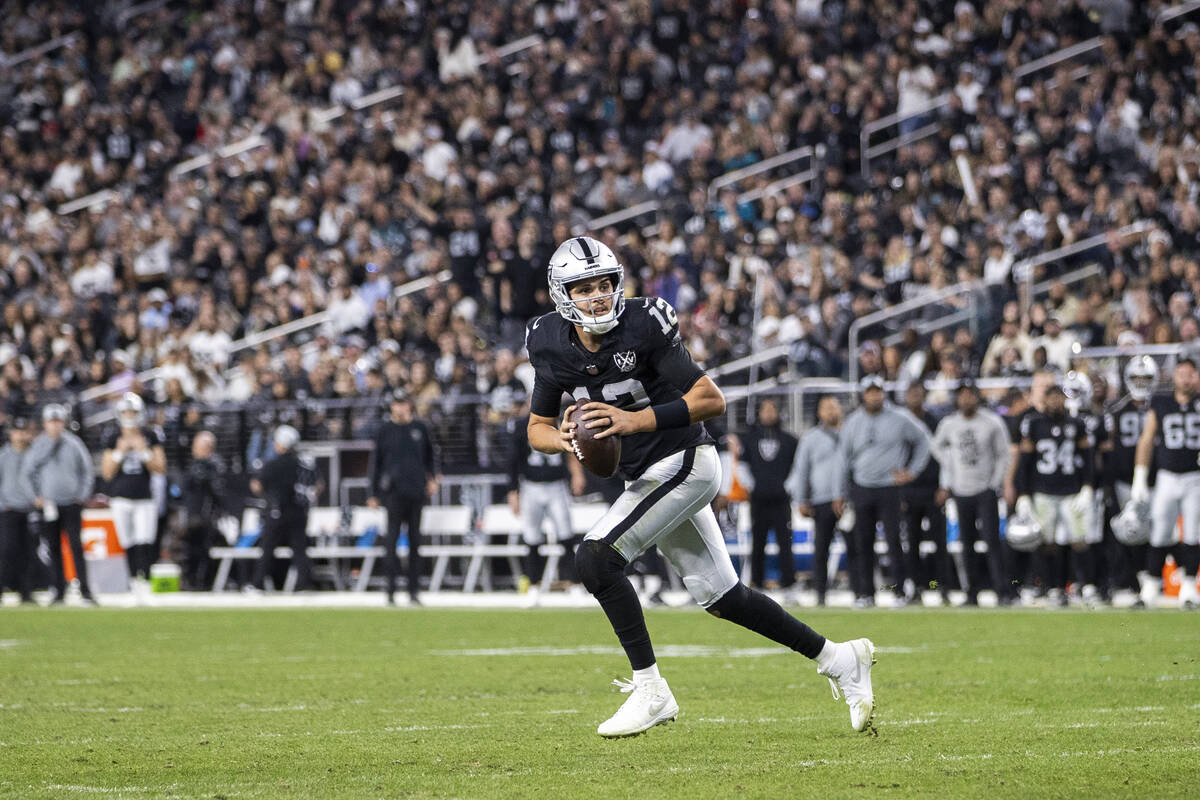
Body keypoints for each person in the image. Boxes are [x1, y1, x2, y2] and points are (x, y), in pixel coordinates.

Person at [525, 236, 876, 739]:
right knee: (724, 597)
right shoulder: (548, 341)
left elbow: (711, 399)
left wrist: (632, 421)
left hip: (686, 461)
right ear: (563, 295)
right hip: (645, 476)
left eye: (605, 284)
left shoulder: (643, 324)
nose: (599, 296)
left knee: (595, 559)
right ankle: (840, 658)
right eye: (585, 289)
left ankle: (652, 690)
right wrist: (564, 440)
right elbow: (536, 428)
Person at [837, 375, 932, 608]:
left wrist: (912, 471)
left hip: (890, 488)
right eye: (870, 392)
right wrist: (839, 492)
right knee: (863, 542)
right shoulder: (853, 422)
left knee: (894, 542)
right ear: (863, 395)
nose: (874, 396)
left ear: (883, 393)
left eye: (877, 391)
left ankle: (900, 592)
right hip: (862, 487)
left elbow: (924, 441)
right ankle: (865, 593)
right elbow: (843, 459)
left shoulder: (900, 418)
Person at [1014, 383, 1096, 608]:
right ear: (1044, 400)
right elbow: (1025, 462)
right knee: (1046, 542)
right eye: (1051, 397)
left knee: (1079, 539)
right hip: (1044, 490)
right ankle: (1052, 586)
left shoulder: (1076, 424)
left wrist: (1088, 486)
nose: (1056, 402)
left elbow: (1088, 458)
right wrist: (1023, 493)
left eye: (1059, 397)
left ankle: (1086, 584)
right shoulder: (1034, 424)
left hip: (1071, 490)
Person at [932, 382, 1014, 605]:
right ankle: (971, 592)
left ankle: (1003, 591)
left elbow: (1003, 454)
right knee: (967, 543)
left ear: (977, 397)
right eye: (963, 395)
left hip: (985, 489)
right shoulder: (949, 424)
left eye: (970, 395)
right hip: (961, 490)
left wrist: (994, 482)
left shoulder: (991, 422)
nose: (967, 399)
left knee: (992, 541)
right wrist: (949, 467)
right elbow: (936, 446)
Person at [1131, 357, 1200, 609]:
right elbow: (1147, 439)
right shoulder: (1161, 402)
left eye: (1191, 374)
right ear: (1174, 376)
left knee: (1193, 533)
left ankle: (1189, 588)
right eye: (1182, 373)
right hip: (1167, 476)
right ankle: (1150, 587)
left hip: (1195, 477)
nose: (1186, 378)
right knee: (1159, 531)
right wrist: (1140, 475)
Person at [368, 391, 440, 605]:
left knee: (415, 542)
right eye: (396, 404)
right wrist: (372, 493)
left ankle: (414, 591)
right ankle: (390, 591)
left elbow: (430, 456)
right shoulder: (384, 430)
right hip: (393, 493)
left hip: (416, 491)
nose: (399, 408)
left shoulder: (420, 428)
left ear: (409, 405)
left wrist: (433, 478)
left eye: (403, 404)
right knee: (390, 541)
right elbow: (376, 464)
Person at [507, 400, 585, 596]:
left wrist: (577, 474)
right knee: (532, 538)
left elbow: (572, 451)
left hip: (556, 485)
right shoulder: (522, 425)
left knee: (566, 535)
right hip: (531, 486)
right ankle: (533, 584)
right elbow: (513, 460)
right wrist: (512, 491)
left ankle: (574, 584)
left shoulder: (561, 420)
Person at [21, 404, 96, 605]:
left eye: (58, 421)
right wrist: (35, 496)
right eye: (51, 422)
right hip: (49, 505)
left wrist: (81, 495)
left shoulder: (74, 444)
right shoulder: (38, 446)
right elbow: (27, 474)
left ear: (63, 423)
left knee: (75, 546)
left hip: (71, 504)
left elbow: (86, 471)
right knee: (52, 548)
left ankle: (85, 590)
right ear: (45, 424)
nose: (54, 426)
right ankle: (58, 589)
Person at [100, 393, 166, 594]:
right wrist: (120, 453)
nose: (129, 415)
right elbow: (107, 473)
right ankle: (131, 580)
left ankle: (144, 580)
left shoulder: (150, 435)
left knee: (145, 539)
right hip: (121, 496)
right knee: (127, 540)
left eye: (133, 411)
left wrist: (143, 452)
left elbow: (160, 467)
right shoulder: (113, 437)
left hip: (144, 496)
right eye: (126, 411)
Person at [735, 398, 800, 596]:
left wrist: (788, 487)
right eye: (765, 409)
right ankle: (757, 582)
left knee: (785, 541)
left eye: (773, 409)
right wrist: (752, 486)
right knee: (758, 541)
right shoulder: (750, 438)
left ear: (778, 413)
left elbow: (798, 466)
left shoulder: (790, 440)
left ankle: (788, 583)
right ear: (759, 413)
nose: (769, 413)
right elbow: (742, 465)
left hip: (781, 499)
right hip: (759, 499)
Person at [1105, 356, 1157, 602]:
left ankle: (1150, 577)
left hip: (1157, 478)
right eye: (1136, 377)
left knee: (1156, 531)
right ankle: (1130, 579)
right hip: (1124, 479)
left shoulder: (1160, 406)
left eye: (1145, 378)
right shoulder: (1116, 409)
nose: (1140, 382)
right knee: (1127, 531)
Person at [789, 395, 845, 607]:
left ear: (840, 409)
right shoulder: (810, 438)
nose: (831, 411)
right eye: (826, 408)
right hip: (821, 499)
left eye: (834, 406)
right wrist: (802, 499)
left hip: (849, 500)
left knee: (858, 547)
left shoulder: (849, 433)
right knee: (821, 548)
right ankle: (821, 593)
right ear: (819, 413)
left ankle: (863, 592)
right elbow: (802, 470)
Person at [248, 425, 318, 594]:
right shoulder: (304, 464)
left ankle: (258, 583)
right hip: (299, 512)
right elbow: (316, 485)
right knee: (300, 549)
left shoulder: (272, 465)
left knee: (267, 548)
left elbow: (257, 486)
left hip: (277, 511)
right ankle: (304, 584)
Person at [899, 383, 950, 605]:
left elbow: (944, 455)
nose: (915, 397)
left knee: (940, 541)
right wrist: (898, 492)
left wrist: (944, 485)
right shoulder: (899, 423)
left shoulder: (935, 421)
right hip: (909, 490)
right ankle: (915, 587)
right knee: (912, 542)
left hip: (932, 488)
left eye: (919, 393)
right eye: (912, 393)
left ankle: (943, 587)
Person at [178, 431, 229, 590]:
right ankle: (191, 580)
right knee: (190, 550)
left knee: (203, 550)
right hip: (194, 514)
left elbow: (217, 492)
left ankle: (203, 582)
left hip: (205, 516)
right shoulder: (194, 465)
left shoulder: (214, 465)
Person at [0, 418, 37, 604]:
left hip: (29, 509)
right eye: (17, 431)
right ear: (11, 434)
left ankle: (26, 592)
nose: (21, 435)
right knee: (6, 551)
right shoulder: (3, 456)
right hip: (8, 509)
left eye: (24, 431)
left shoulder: (34, 454)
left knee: (28, 552)